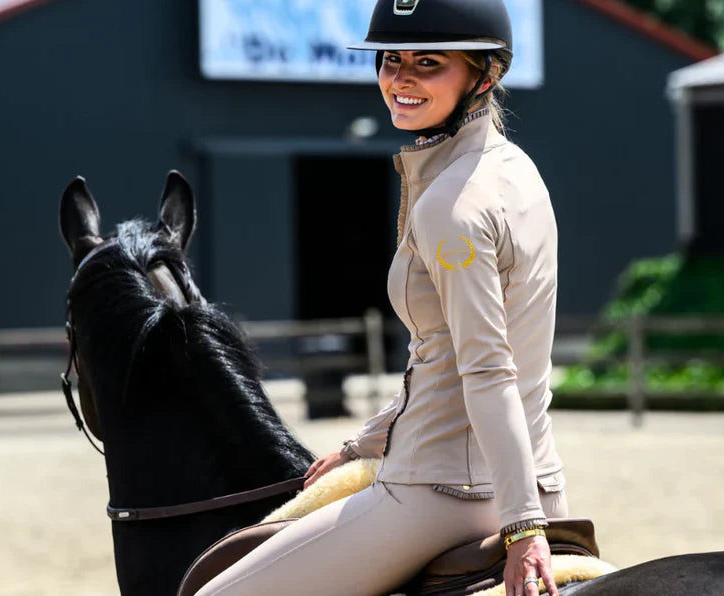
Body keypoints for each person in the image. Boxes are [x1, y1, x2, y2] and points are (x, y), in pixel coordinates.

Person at [195, 1, 566, 594]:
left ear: (486, 73)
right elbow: (442, 358)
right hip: (529, 473)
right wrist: (363, 443)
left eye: (428, 63)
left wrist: (524, 526)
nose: (401, 79)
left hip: (447, 490)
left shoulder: (452, 203)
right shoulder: (516, 169)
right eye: (391, 60)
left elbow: (488, 368)